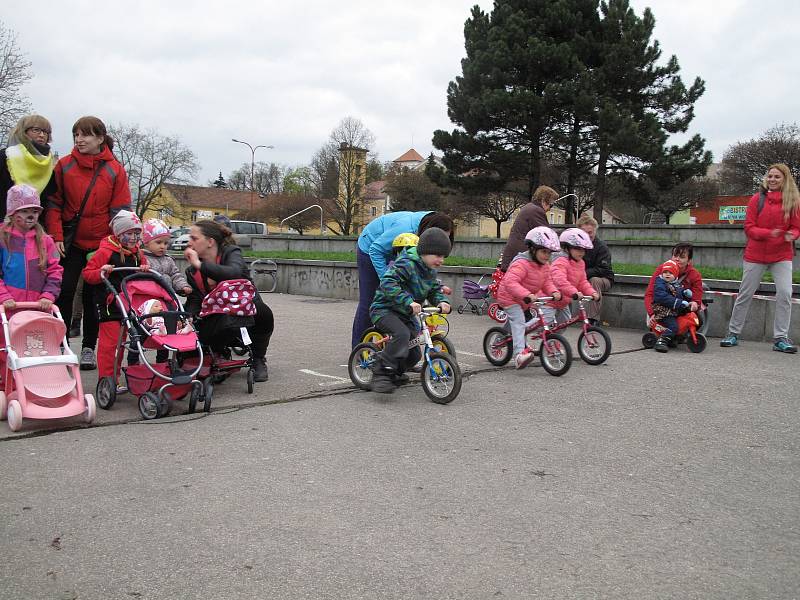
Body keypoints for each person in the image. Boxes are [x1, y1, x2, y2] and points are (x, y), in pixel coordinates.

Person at [45, 116, 132, 370]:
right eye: (76, 135)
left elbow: (120, 210)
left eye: (85, 135)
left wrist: (115, 245)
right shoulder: (64, 166)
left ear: (100, 138)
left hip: (101, 244)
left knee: (95, 298)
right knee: (63, 292)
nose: (79, 140)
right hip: (70, 243)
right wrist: (56, 236)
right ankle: (61, 344)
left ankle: (88, 349)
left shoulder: (115, 169)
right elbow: (53, 204)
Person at [721, 164, 800, 352]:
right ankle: (733, 333)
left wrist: (792, 235)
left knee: (785, 294)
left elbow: (796, 227)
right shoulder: (757, 199)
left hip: (781, 255)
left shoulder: (793, 201)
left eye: (777, 177)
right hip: (755, 254)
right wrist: (768, 233)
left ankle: (780, 338)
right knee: (745, 294)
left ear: (785, 179)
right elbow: (749, 227)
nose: (772, 179)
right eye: (770, 176)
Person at [183, 220, 273, 382]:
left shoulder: (231, 253)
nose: (189, 242)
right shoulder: (192, 271)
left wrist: (199, 264)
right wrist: (189, 316)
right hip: (215, 318)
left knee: (263, 312)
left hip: (244, 312)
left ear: (210, 242)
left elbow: (234, 272)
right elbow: (195, 298)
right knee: (190, 324)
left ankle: (258, 359)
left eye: (194, 238)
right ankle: (216, 354)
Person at [368, 227, 452, 394]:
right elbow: (388, 283)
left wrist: (442, 301)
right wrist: (408, 301)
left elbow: (434, 289)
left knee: (414, 354)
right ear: (425, 252)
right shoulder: (406, 264)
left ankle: (394, 373)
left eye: (443, 256)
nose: (441, 260)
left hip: (405, 314)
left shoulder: (429, 271)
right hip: (385, 309)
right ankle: (381, 371)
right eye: (438, 255)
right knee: (401, 335)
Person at [352, 211, 454, 348]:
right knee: (370, 300)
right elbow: (376, 250)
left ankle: (401, 351)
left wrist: (436, 289)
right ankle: (359, 350)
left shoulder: (425, 237)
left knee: (406, 301)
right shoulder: (405, 228)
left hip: (396, 252)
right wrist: (387, 282)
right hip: (370, 247)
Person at [81, 211, 148, 382]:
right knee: (109, 345)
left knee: (121, 344)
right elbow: (88, 274)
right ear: (118, 234)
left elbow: (144, 267)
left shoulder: (138, 254)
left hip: (127, 304)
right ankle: (107, 379)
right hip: (108, 303)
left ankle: (115, 378)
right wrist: (101, 271)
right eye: (130, 233)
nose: (134, 238)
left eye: (137, 233)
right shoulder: (105, 251)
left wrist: (144, 268)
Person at [495, 226, 562, 369]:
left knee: (528, 320)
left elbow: (547, 282)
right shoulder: (521, 263)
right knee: (519, 320)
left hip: (525, 299)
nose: (547, 256)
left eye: (549, 253)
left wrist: (554, 292)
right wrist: (526, 294)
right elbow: (510, 282)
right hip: (509, 297)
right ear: (533, 249)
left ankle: (503, 337)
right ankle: (519, 354)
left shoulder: (544, 266)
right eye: (544, 251)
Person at [0, 185, 63, 310]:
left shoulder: (46, 241)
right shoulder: (2, 239)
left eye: (35, 212)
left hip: (37, 307)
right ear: (12, 214)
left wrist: (48, 294)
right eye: (24, 211)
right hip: (7, 308)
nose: (31, 216)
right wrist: (4, 296)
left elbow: (55, 271)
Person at [0, 115, 57, 221]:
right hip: (4, 224)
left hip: (35, 227)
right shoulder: (6, 157)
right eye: (36, 130)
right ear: (23, 132)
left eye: (46, 132)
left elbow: (49, 198)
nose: (42, 135)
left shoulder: (48, 163)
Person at [499, 185, 558, 272]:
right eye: (551, 205)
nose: (549, 209)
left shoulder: (529, 207)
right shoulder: (536, 211)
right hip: (521, 260)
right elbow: (547, 235)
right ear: (543, 200)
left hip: (516, 257)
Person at [644, 242, 704, 328]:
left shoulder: (694, 275)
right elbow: (649, 294)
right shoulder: (662, 269)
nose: (677, 259)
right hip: (661, 308)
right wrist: (652, 314)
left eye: (682, 257)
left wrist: (695, 303)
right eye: (675, 256)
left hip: (682, 308)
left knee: (697, 321)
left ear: (689, 261)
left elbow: (697, 298)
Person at [547, 228, 599, 325]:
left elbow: (582, 282)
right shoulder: (560, 261)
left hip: (563, 302)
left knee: (564, 323)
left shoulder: (581, 263)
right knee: (544, 323)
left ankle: (554, 340)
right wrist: (574, 292)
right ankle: (522, 331)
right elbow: (560, 281)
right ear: (566, 248)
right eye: (577, 249)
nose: (581, 252)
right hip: (549, 300)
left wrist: (592, 292)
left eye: (583, 250)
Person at [577, 215, 613, 324]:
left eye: (590, 232)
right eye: (584, 232)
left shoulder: (601, 247)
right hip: (581, 277)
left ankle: (593, 318)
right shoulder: (575, 246)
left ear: (595, 231)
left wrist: (582, 274)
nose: (588, 235)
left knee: (594, 280)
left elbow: (603, 269)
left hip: (604, 278)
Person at [650, 260, 693, 353]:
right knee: (673, 326)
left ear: (676, 274)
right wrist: (679, 302)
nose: (667, 274)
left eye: (670, 272)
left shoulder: (676, 284)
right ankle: (661, 342)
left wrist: (685, 294)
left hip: (672, 309)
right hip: (663, 311)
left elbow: (678, 294)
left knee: (682, 320)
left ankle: (673, 338)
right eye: (665, 272)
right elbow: (662, 297)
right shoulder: (660, 283)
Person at [141, 218, 192, 295]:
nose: (163, 246)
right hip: (148, 296)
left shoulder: (168, 260)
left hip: (167, 296)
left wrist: (183, 286)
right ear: (146, 243)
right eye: (158, 242)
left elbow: (175, 275)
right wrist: (142, 270)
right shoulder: (141, 258)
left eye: (166, 243)